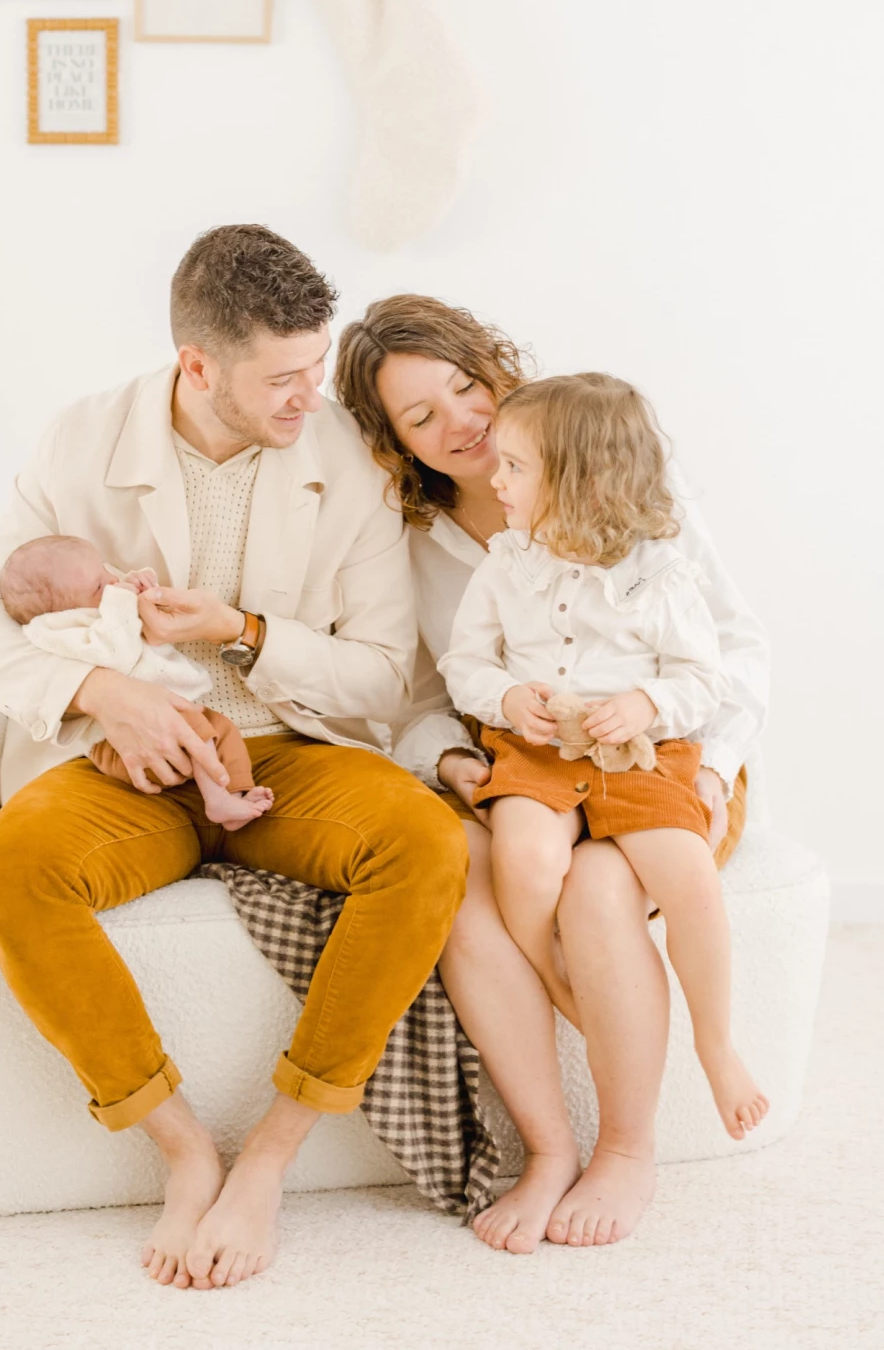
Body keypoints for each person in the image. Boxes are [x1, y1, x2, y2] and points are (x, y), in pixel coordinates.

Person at [0, 227, 467, 1291]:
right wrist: (102, 691)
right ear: (197, 365)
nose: (308, 396)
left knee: (421, 841)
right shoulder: (82, 439)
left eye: (316, 367)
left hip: (289, 749)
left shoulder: (343, 460)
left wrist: (245, 630)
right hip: (127, 761)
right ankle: (182, 1151)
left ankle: (272, 1153)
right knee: (10, 869)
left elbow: (376, 674)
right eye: (282, 377)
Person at [334, 296, 768, 1252]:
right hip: (527, 762)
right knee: (477, 878)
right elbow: (424, 694)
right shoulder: (414, 538)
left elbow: (732, 654)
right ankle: (547, 1149)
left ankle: (627, 1150)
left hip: (664, 753)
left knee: (601, 885)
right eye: (422, 417)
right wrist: (456, 760)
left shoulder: (618, 471)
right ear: (395, 445)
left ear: (495, 366)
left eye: (465, 385)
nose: (462, 421)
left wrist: (711, 771)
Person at [438, 372, 769, 1140]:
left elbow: (702, 676)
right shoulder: (507, 564)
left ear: (584, 482)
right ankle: (557, 981)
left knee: (687, 876)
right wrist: (507, 698)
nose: (497, 477)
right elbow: (465, 665)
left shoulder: (662, 574)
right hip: (538, 748)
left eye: (516, 467)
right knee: (523, 860)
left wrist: (646, 705)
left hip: (641, 752)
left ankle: (715, 1043)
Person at [0, 533, 275, 830]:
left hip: (166, 719)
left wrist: (143, 586)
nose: (113, 580)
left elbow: (133, 615)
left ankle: (236, 793)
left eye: (105, 569)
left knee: (222, 729)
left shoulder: (95, 603)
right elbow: (117, 652)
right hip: (121, 745)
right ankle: (217, 801)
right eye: (100, 585)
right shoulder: (63, 629)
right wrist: (121, 598)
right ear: (62, 607)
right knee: (197, 734)